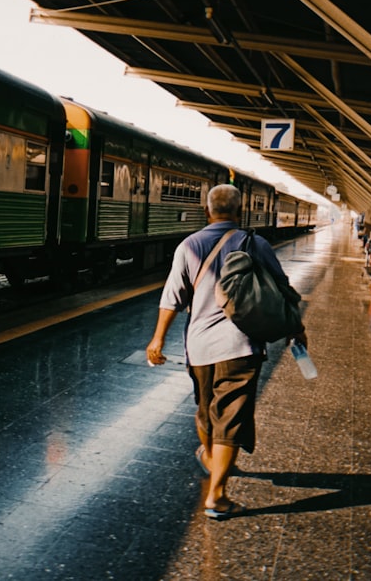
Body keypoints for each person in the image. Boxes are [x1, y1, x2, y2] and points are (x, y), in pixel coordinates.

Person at [145, 184, 307, 520]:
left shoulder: (188, 245)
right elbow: (282, 288)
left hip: (200, 348)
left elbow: (171, 297)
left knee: (205, 413)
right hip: (241, 346)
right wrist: (296, 329)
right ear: (239, 212)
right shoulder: (255, 244)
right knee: (229, 420)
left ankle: (209, 456)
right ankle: (217, 497)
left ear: (207, 211)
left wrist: (157, 339)